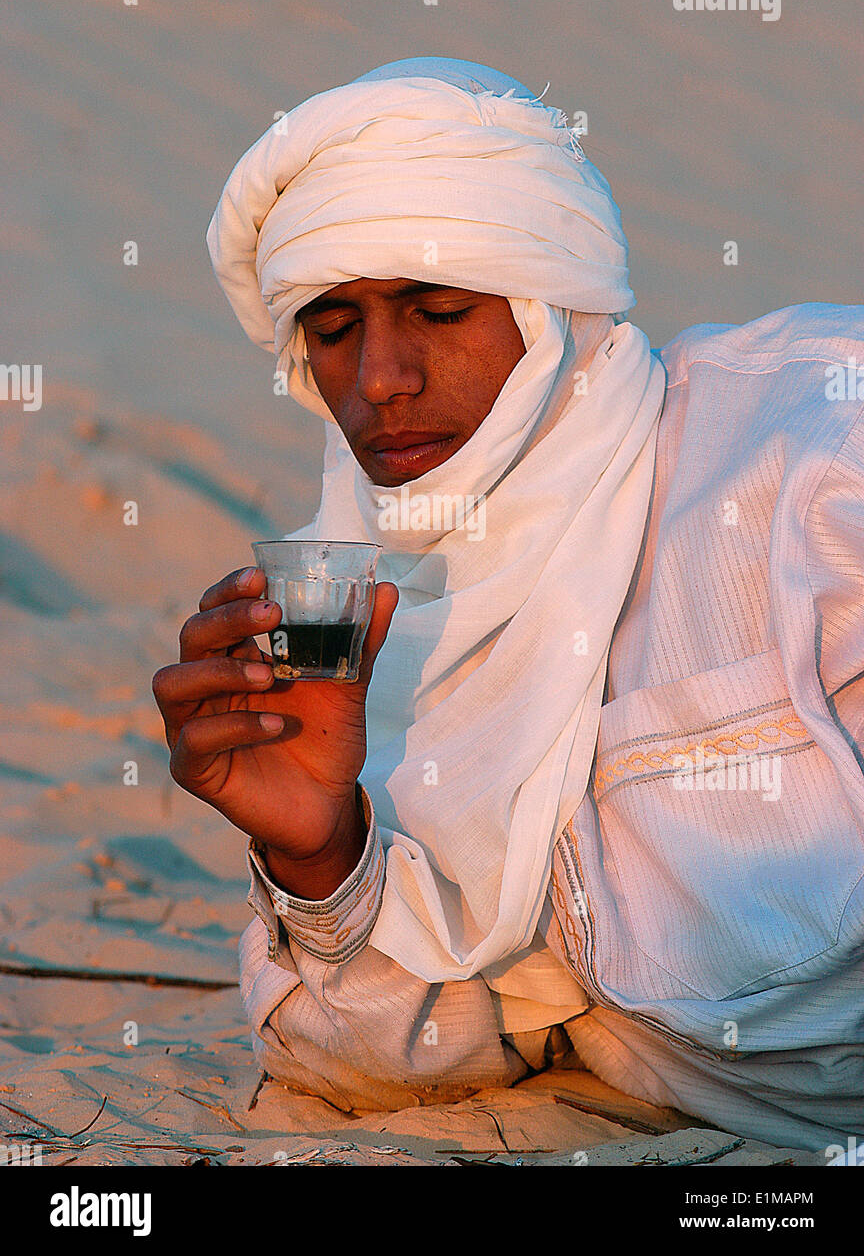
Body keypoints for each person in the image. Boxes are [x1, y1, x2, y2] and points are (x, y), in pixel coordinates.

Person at [152, 56, 864, 1149]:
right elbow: (414, 1057)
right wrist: (320, 856)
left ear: (549, 308)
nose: (380, 378)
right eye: (333, 329)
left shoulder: (805, 456)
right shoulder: (363, 631)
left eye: (437, 308)